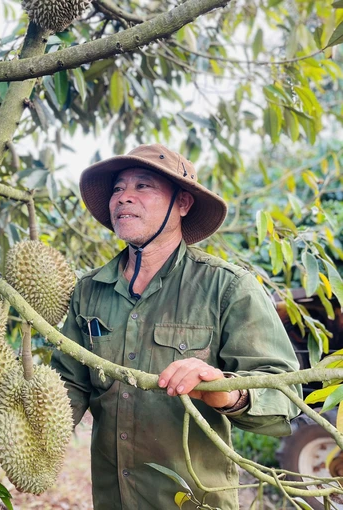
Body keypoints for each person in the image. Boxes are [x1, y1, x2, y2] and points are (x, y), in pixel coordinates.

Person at [50, 144, 301, 510]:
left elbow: (284, 393)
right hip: (113, 498)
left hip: (195, 501)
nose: (124, 198)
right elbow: (69, 382)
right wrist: (37, 426)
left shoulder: (228, 288)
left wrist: (227, 393)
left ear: (182, 204)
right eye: (118, 189)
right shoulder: (88, 290)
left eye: (143, 186)